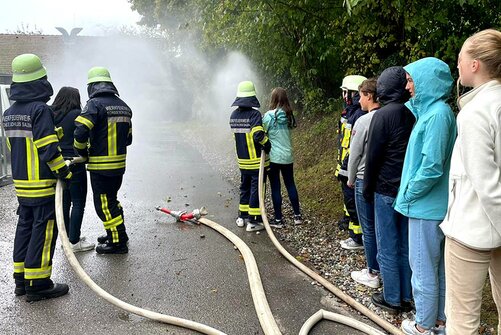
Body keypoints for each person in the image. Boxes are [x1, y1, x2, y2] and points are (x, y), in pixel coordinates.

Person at [440, 28, 501, 335]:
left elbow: (487, 185)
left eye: (461, 57)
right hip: (492, 230)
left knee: (462, 321)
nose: (458, 64)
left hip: (472, 232)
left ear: (475, 64)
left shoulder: (476, 112)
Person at [394, 58, 456, 335]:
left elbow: (431, 168)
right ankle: (439, 322)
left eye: (411, 80)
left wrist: (408, 194)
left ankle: (423, 326)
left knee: (422, 269)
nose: (407, 87)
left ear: (427, 81)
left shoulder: (437, 116)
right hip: (430, 206)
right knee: (434, 267)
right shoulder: (435, 113)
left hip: (424, 207)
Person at [3, 53, 72, 301]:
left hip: (22, 185)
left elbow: (14, 148)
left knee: (25, 228)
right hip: (42, 184)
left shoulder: (9, 112)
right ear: (39, 80)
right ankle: (38, 283)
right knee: (43, 232)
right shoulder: (40, 110)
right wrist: (63, 170)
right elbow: (48, 147)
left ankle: (21, 280)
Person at [363, 66, 415, 313]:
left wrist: (366, 188)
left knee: (387, 245)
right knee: (404, 244)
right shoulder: (410, 115)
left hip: (384, 190)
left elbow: (372, 157)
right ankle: (406, 296)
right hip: (405, 191)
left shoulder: (381, 116)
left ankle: (392, 298)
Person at [74, 67, 132, 254]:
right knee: (111, 201)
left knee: (104, 205)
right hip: (119, 164)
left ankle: (118, 243)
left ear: (91, 87)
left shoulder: (94, 105)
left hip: (100, 165)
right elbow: (129, 138)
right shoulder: (124, 105)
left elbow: (81, 130)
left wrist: (81, 151)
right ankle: (115, 232)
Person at [347, 78, 381, 289]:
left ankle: (372, 271)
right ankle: (383, 269)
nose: (358, 100)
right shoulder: (392, 116)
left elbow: (355, 154)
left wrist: (350, 178)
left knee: (367, 228)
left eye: (360, 95)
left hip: (362, 179)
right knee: (381, 228)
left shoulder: (363, 121)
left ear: (369, 96)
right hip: (384, 181)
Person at [52, 87, 95, 253]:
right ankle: (75, 241)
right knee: (78, 203)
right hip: (75, 162)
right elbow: (83, 136)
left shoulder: (52, 114)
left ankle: (68, 238)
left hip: (58, 163)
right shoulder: (78, 114)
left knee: (64, 202)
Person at [229, 81, 271, 232]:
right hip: (255, 162)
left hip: (242, 161)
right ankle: (253, 221)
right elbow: (258, 134)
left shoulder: (233, 115)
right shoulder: (254, 115)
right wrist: (267, 143)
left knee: (244, 188)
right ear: (252, 96)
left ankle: (242, 216)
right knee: (257, 189)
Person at [262, 87, 302, 228]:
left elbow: (262, 131)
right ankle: (297, 216)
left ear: (272, 99)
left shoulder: (268, 116)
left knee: (275, 187)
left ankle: (278, 219)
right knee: (290, 184)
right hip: (287, 156)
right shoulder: (289, 115)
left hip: (273, 157)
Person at [336, 75, 367, 250]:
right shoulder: (350, 112)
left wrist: (347, 169)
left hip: (352, 167)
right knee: (349, 203)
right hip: (346, 165)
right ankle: (352, 229)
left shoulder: (359, 115)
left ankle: (358, 238)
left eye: (345, 92)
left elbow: (355, 147)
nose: (343, 96)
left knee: (354, 202)